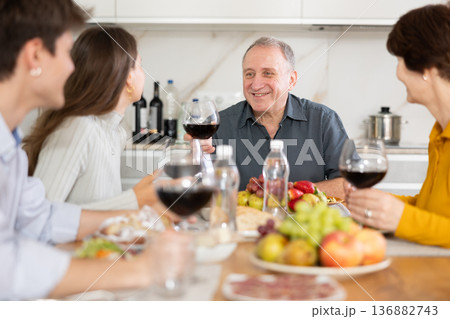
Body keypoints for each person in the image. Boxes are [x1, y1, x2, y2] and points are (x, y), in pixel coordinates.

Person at [0, 0, 189, 300]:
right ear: (35, 55)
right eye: (65, 52)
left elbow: (42, 219)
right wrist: (141, 268)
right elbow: (10, 263)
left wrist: (138, 211)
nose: (73, 66)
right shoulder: (77, 128)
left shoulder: (9, 143)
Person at [345, 3, 450, 248]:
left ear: (426, 69)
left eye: (400, 60)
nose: (398, 72)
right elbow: (433, 211)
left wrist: (401, 218)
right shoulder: (440, 133)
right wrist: (381, 203)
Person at [188, 37, 348, 197]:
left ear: (291, 80)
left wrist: (290, 193)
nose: (256, 84)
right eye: (249, 74)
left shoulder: (323, 120)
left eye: (268, 73)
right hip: (242, 221)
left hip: (306, 222)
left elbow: (348, 184)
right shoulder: (219, 125)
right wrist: (197, 157)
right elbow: (197, 191)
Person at [22, 26, 156, 211]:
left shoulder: (115, 132)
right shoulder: (77, 127)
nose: (144, 74)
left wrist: (194, 153)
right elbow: (39, 216)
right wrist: (134, 200)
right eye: (140, 65)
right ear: (128, 77)